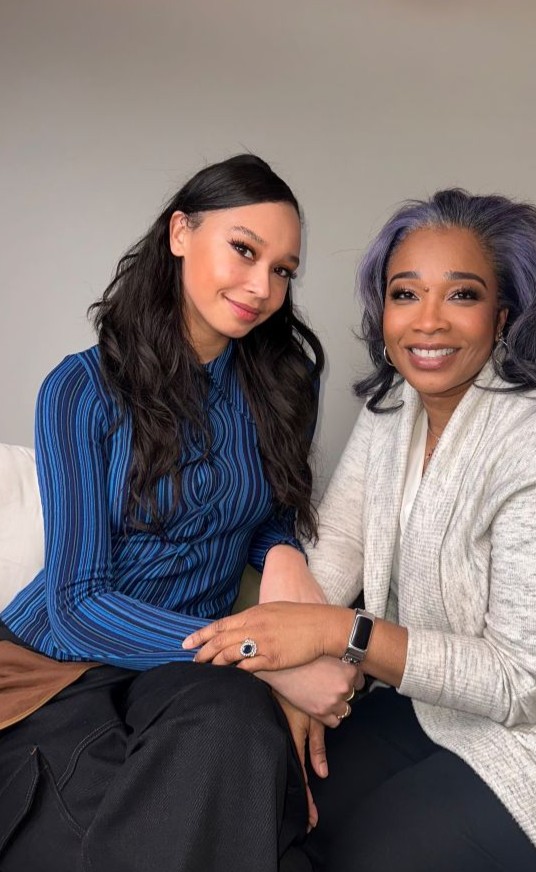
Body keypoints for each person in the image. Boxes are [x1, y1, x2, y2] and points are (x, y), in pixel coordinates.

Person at [184, 189, 536, 872]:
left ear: (503, 316)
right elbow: (338, 546)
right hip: (441, 706)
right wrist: (292, 675)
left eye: (461, 295)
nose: (428, 322)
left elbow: (521, 684)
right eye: (406, 294)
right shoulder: (395, 407)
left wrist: (332, 636)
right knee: (269, 813)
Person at [0, 154, 358, 872]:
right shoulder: (80, 389)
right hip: (52, 668)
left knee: (232, 728)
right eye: (244, 250)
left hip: (184, 669)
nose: (262, 287)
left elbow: (263, 511)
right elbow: (78, 605)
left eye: (284, 269)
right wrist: (266, 660)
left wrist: (281, 551)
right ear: (179, 234)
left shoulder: (288, 381)